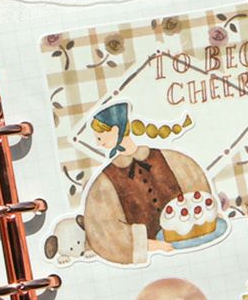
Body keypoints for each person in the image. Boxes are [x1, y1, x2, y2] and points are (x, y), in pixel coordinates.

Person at [80, 100, 214, 265]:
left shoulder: (172, 159)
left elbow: (200, 193)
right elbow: (103, 230)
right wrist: (148, 245)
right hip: (154, 259)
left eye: (100, 137)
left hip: (192, 247)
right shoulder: (104, 182)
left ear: (115, 130)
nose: (98, 143)